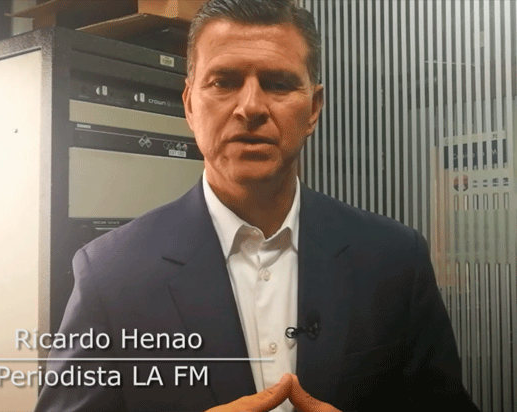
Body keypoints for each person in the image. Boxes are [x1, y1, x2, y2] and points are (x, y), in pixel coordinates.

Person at [35, 0, 479, 411]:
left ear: (314, 108)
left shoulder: (395, 261)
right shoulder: (110, 276)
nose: (250, 107)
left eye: (278, 84)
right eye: (224, 82)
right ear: (189, 105)